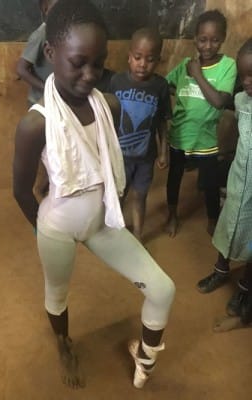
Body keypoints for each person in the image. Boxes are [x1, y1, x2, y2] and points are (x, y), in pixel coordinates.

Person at [13, 0, 175, 390]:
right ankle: (63, 343)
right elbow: (21, 191)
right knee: (58, 295)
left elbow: (100, 162)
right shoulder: (35, 124)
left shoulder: (110, 104)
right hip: (58, 225)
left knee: (163, 289)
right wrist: (45, 231)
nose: (90, 75)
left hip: (104, 220)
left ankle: (146, 357)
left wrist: (103, 209)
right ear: (50, 53)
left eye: (99, 63)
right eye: (78, 62)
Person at [196, 38, 252, 332]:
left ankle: (244, 287)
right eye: (244, 76)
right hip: (239, 181)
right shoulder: (242, 101)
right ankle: (220, 270)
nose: (247, 82)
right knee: (227, 228)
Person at [165, 9, 237, 238]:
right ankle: (172, 215)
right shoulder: (185, 64)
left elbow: (218, 102)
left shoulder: (228, 66)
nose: (208, 46)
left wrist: (197, 74)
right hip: (179, 135)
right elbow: (166, 87)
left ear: (223, 38)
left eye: (215, 40)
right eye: (203, 40)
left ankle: (213, 221)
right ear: (195, 38)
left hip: (205, 140)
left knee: (209, 184)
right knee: (174, 178)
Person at [109, 27, 171, 242]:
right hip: (120, 157)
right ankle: (116, 231)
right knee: (119, 195)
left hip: (146, 157)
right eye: (138, 57)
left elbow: (163, 122)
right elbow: (107, 118)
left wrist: (163, 152)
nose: (143, 64)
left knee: (140, 196)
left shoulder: (160, 86)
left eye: (150, 59)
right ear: (129, 57)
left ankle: (137, 235)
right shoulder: (116, 82)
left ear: (158, 61)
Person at [16, 0, 58, 106]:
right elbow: (21, 69)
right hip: (40, 101)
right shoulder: (41, 35)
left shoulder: (64, 33)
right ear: (46, 9)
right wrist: (46, 88)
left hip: (56, 100)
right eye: (59, 6)